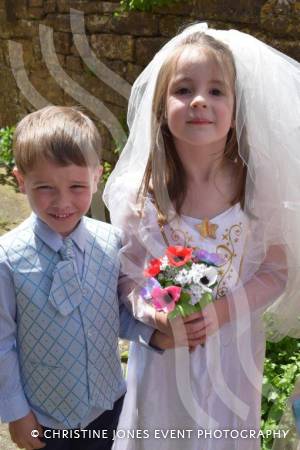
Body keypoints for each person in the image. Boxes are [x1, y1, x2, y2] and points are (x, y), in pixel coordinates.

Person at [103, 23, 300, 450]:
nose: (199, 102)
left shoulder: (255, 185)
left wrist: (222, 313)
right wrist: (157, 313)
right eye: (183, 90)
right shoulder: (143, 190)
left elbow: (276, 271)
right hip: (165, 353)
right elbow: (128, 276)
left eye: (216, 91)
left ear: (236, 108)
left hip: (232, 351)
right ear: (160, 107)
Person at [0, 106, 173, 450]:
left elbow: (116, 314)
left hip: (109, 407)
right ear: (21, 181)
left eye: (77, 186)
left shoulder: (112, 242)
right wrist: (16, 413)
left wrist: (153, 335)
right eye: (45, 187)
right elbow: (2, 342)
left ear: (97, 177)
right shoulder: (7, 258)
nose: (62, 202)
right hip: (46, 418)